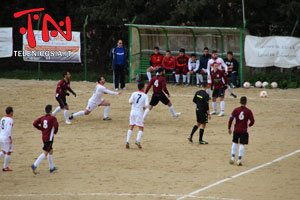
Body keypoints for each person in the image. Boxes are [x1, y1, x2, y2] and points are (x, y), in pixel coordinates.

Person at [32, 105, 59, 174]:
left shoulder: (42, 118)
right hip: (49, 138)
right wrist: (55, 132)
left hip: (44, 137)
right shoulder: (53, 118)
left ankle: (51, 168)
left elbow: (34, 123)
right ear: (50, 111)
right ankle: (34, 165)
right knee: (45, 153)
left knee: (51, 151)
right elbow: (56, 126)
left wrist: (41, 129)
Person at [228, 96, 255, 166]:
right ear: (246, 102)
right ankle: (239, 160)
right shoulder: (248, 111)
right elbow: (252, 121)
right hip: (244, 130)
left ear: (240, 102)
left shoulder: (236, 110)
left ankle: (232, 157)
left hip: (236, 129)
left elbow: (231, 119)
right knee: (242, 144)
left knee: (234, 142)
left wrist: (229, 128)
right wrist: (249, 125)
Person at [126, 82, 149, 149]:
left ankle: (127, 141)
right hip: (139, 112)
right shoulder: (145, 95)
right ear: (142, 88)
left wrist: (133, 104)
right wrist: (144, 106)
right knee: (141, 128)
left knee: (131, 126)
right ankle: (137, 140)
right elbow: (147, 104)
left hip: (132, 111)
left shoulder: (134, 93)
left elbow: (130, 101)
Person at [0, 107, 14, 171]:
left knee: (3, 151)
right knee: (8, 152)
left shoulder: (2, 118)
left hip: (1, 136)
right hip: (6, 137)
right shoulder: (10, 119)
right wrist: (10, 138)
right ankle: (5, 167)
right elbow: (9, 129)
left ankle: (5, 167)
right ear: (11, 112)